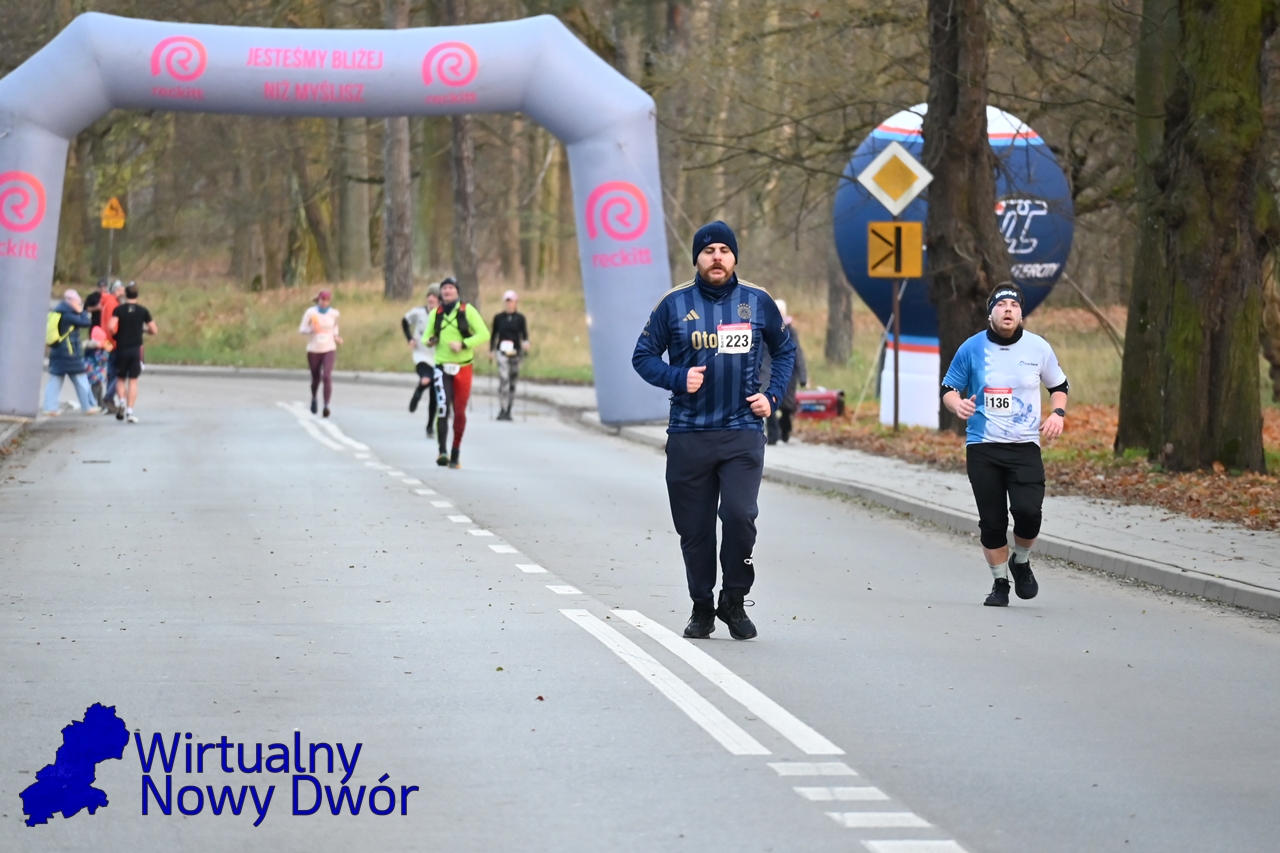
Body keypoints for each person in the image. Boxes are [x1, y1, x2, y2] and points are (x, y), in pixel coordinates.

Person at [632, 220, 796, 641]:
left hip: (742, 430)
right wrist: (676, 377)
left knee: (741, 517)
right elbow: (643, 356)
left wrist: (773, 397)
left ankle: (734, 600)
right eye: (708, 251)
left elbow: (785, 350)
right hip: (689, 433)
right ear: (697, 259)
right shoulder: (673, 304)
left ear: (735, 257)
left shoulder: (757, 301)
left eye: (724, 250)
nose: (717, 257)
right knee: (696, 529)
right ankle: (702, 606)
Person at [941, 283, 1069, 607]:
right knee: (992, 521)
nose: (1008, 309)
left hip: (1024, 445)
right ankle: (1000, 584)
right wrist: (957, 405)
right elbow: (948, 388)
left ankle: (1020, 560)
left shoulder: (1038, 348)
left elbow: (1059, 385)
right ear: (990, 314)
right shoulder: (972, 348)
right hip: (983, 447)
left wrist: (1058, 413)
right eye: (1001, 305)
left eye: (1014, 305)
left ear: (1021, 314)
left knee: (1029, 513)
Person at [424, 277, 489, 469]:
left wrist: (464, 344)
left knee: (459, 412)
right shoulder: (436, 313)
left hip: (463, 366)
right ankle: (442, 451)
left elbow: (484, 334)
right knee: (443, 407)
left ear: (457, 291)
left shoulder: (467, 310)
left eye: (450, 288)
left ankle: (455, 451)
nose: (447, 291)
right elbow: (425, 337)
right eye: (444, 288)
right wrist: (430, 341)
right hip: (441, 367)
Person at [44, 289, 99, 416]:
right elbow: (86, 323)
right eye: (78, 302)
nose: (79, 304)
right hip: (70, 354)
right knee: (81, 380)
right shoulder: (68, 315)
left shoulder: (58, 311)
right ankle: (88, 406)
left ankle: (50, 408)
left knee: (55, 380)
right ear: (71, 301)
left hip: (58, 351)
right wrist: (82, 311)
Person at [108, 283, 157, 424]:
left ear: (125, 294)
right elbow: (154, 330)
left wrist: (116, 335)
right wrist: (143, 330)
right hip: (136, 349)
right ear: (137, 295)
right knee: (133, 380)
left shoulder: (119, 309)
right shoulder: (143, 311)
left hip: (122, 348)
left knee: (120, 378)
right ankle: (130, 412)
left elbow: (111, 326)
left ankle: (121, 401)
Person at [761, 299, 807, 444]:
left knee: (787, 405)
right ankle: (773, 434)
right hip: (767, 369)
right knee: (769, 399)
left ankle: (785, 428)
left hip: (788, 371)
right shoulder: (763, 328)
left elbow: (797, 353)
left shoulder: (790, 331)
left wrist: (803, 376)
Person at [402, 286, 441, 438]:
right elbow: (405, 321)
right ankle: (417, 393)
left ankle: (430, 426)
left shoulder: (443, 316)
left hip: (437, 357)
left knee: (435, 394)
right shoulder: (418, 312)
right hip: (421, 355)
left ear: (439, 300)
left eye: (434, 296)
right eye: (429, 295)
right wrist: (409, 338)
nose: (431, 299)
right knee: (426, 379)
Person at [299, 289, 342, 417]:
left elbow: (335, 327)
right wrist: (311, 329)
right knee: (316, 378)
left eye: (327, 300)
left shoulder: (334, 313)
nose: (324, 303)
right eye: (323, 300)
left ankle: (326, 405)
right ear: (319, 300)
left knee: (327, 376)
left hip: (329, 348)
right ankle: (314, 397)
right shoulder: (311, 313)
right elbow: (302, 329)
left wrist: (336, 336)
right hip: (314, 349)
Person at [490, 289, 530, 421]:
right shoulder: (498, 318)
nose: (509, 304)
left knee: (513, 380)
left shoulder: (520, 318)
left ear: (516, 302)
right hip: (501, 351)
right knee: (504, 378)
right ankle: (502, 408)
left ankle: (509, 410)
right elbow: (494, 334)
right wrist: (491, 350)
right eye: (507, 301)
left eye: (511, 301)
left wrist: (526, 343)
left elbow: (524, 334)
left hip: (515, 352)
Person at [99, 280, 125, 414]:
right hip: (113, 341)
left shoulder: (107, 302)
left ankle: (110, 401)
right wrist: (119, 338)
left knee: (112, 371)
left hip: (106, 341)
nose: (123, 293)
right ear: (116, 290)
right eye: (121, 290)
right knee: (120, 371)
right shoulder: (113, 304)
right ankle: (109, 397)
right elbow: (112, 326)